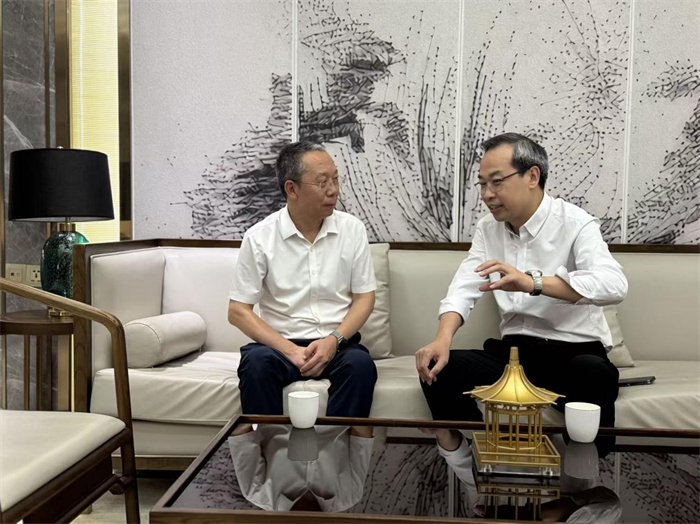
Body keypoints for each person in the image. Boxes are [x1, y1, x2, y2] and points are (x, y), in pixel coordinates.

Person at [416, 132, 628, 448]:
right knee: (438, 369)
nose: (487, 194)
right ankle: (473, 465)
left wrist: (533, 282)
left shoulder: (575, 223)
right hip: (515, 356)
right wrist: (442, 340)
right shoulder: (487, 229)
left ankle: (587, 474)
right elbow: (464, 286)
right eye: (482, 184)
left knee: (593, 372)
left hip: (574, 354)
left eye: (496, 182)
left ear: (532, 176)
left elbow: (614, 284)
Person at [229, 141, 377, 417]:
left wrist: (333, 340)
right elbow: (238, 311)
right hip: (278, 345)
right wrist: (290, 351)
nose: (333, 190)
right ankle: (269, 440)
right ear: (291, 188)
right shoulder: (260, 237)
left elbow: (365, 297)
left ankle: (336, 442)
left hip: (337, 343)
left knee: (360, 366)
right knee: (256, 365)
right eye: (322, 182)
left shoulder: (352, 230)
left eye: (335, 179)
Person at [229, 423, 374, 512]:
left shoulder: (257, 493)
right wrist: (351, 413)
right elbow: (362, 437)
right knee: (359, 380)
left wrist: (257, 410)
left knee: (256, 380)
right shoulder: (350, 495)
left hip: (278, 411)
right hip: (335, 413)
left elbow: (241, 435)